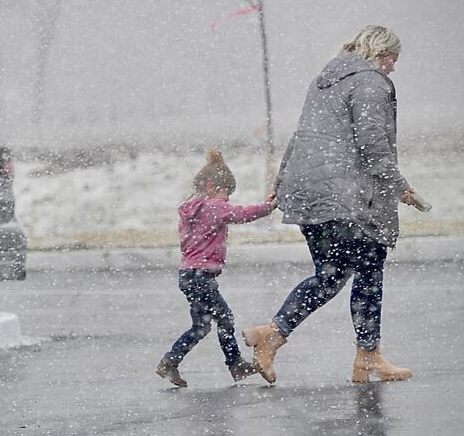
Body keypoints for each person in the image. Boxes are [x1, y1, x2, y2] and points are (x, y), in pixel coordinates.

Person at [242, 25, 423, 385]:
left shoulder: (325, 80)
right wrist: (399, 186)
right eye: (392, 58)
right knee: (370, 264)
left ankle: (272, 337)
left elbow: (303, 134)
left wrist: (282, 182)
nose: (393, 67)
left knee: (332, 274)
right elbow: (372, 142)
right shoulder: (369, 81)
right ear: (378, 52)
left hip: (312, 191)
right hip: (344, 196)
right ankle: (367, 356)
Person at [156, 149, 277, 387]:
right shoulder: (213, 206)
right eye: (226, 193)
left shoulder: (191, 209)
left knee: (201, 326)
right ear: (211, 186)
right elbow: (241, 214)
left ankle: (170, 362)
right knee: (225, 320)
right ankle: (235, 365)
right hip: (201, 276)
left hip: (189, 274)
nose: (227, 199)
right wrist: (268, 207)